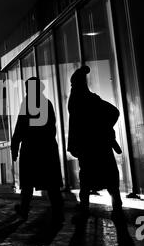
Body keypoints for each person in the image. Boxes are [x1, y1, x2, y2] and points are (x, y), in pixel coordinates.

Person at [67, 66, 124, 224]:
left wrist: (102, 129)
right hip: (99, 147)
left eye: (73, 85)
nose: (72, 88)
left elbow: (113, 113)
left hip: (90, 148)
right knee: (108, 179)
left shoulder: (82, 101)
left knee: (87, 179)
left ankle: (85, 209)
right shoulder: (91, 100)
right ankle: (116, 208)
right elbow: (114, 112)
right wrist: (105, 128)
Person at [11, 77, 64, 224]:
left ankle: (24, 210)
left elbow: (19, 129)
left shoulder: (27, 105)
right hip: (47, 150)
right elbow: (52, 127)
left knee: (27, 185)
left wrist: (14, 148)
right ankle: (58, 213)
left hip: (30, 150)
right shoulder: (47, 104)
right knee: (52, 185)